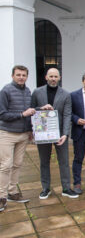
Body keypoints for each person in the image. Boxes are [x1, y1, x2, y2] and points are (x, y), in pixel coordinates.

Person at [31, 68, 78, 199]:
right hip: (43, 133)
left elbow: (67, 114)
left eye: (55, 76)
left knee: (64, 161)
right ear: (46, 77)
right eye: (51, 76)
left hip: (60, 134)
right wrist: (41, 108)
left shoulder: (66, 94)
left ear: (59, 77)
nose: (53, 79)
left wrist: (65, 134)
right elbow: (31, 110)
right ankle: (45, 188)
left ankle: (66, 188)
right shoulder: (37, 92)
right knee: (44, 161)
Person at [0, 65, 35, 211]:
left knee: (18, 164)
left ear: (27, 76)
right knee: (5, 165)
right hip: (7, 133)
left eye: (24, 75)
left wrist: (30, 129)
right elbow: (2, 114)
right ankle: (1, 196)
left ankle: (13, 192)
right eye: (18, 75)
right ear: (13, 75)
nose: (21, 77)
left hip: (23, 134)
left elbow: (29, 112)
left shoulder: (27, 91)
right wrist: (22, 115)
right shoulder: (5, 91)